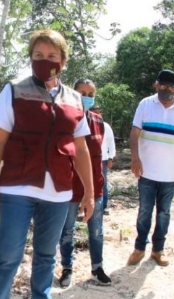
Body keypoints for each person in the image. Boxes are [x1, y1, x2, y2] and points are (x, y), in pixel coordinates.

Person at [0, 29, 94, 299]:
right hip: (17, 185)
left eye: (51, 57)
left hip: (58, 190)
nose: (44, 62)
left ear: (63, 62)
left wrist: (89, 192)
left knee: (46, 253)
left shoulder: (74, 99)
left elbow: (80, 149)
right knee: (7, 258)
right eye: (37, 56)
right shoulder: (15, 91)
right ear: (30, 59)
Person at [127, 70, 174, 267]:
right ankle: (139, 248)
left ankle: (158, 250)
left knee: (164, 213)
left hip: (170, 175)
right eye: (163, 85)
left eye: (171, 87)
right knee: (145, 211)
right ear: (156, 85)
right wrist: (135, 158)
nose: (166, 90)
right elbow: (134, 133)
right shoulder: (146, 104)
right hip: (146, 172)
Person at [58, 79, 111, 288]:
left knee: (96, 230)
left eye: (91, 93)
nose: (87, 97)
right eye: (82, 93)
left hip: (95, 188)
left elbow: (101, 156)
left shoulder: (99, 122)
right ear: (73, 93)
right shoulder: (65, 119)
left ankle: (97, 268)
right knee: (67, 231)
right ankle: (66, 269)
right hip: (70, 188)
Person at [98, 107, 116, 215]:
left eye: (98, 113)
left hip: (103, 159)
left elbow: (111, 143)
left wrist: (110, 158)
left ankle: (104, 206)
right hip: (88, 159)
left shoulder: (106, 127)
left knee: (103, 183)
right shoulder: (85, 124)